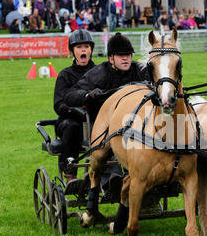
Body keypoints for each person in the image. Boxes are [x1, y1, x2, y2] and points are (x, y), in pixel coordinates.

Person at [64, 33, 149, 214]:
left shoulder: (140, 69)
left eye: (128, 54)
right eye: (120, 55)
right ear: (111, 58)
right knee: (111, 151)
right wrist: (87, 95)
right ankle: (113, 182)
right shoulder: (99, 72)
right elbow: (70, 95)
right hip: (104, 127)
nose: (126, 58)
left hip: (137, 125)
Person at [54, 29, 96, 181]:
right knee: (72, 128)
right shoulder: (65, 75)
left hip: (95, 119)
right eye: (78, 47)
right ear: (72, 52)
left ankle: (113, 174)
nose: (83, 49)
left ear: (91, 49)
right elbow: (58, 104)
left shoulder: (100, 71)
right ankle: (70, 174)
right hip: (70, 120)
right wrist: (77, 110)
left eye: (86, 46)